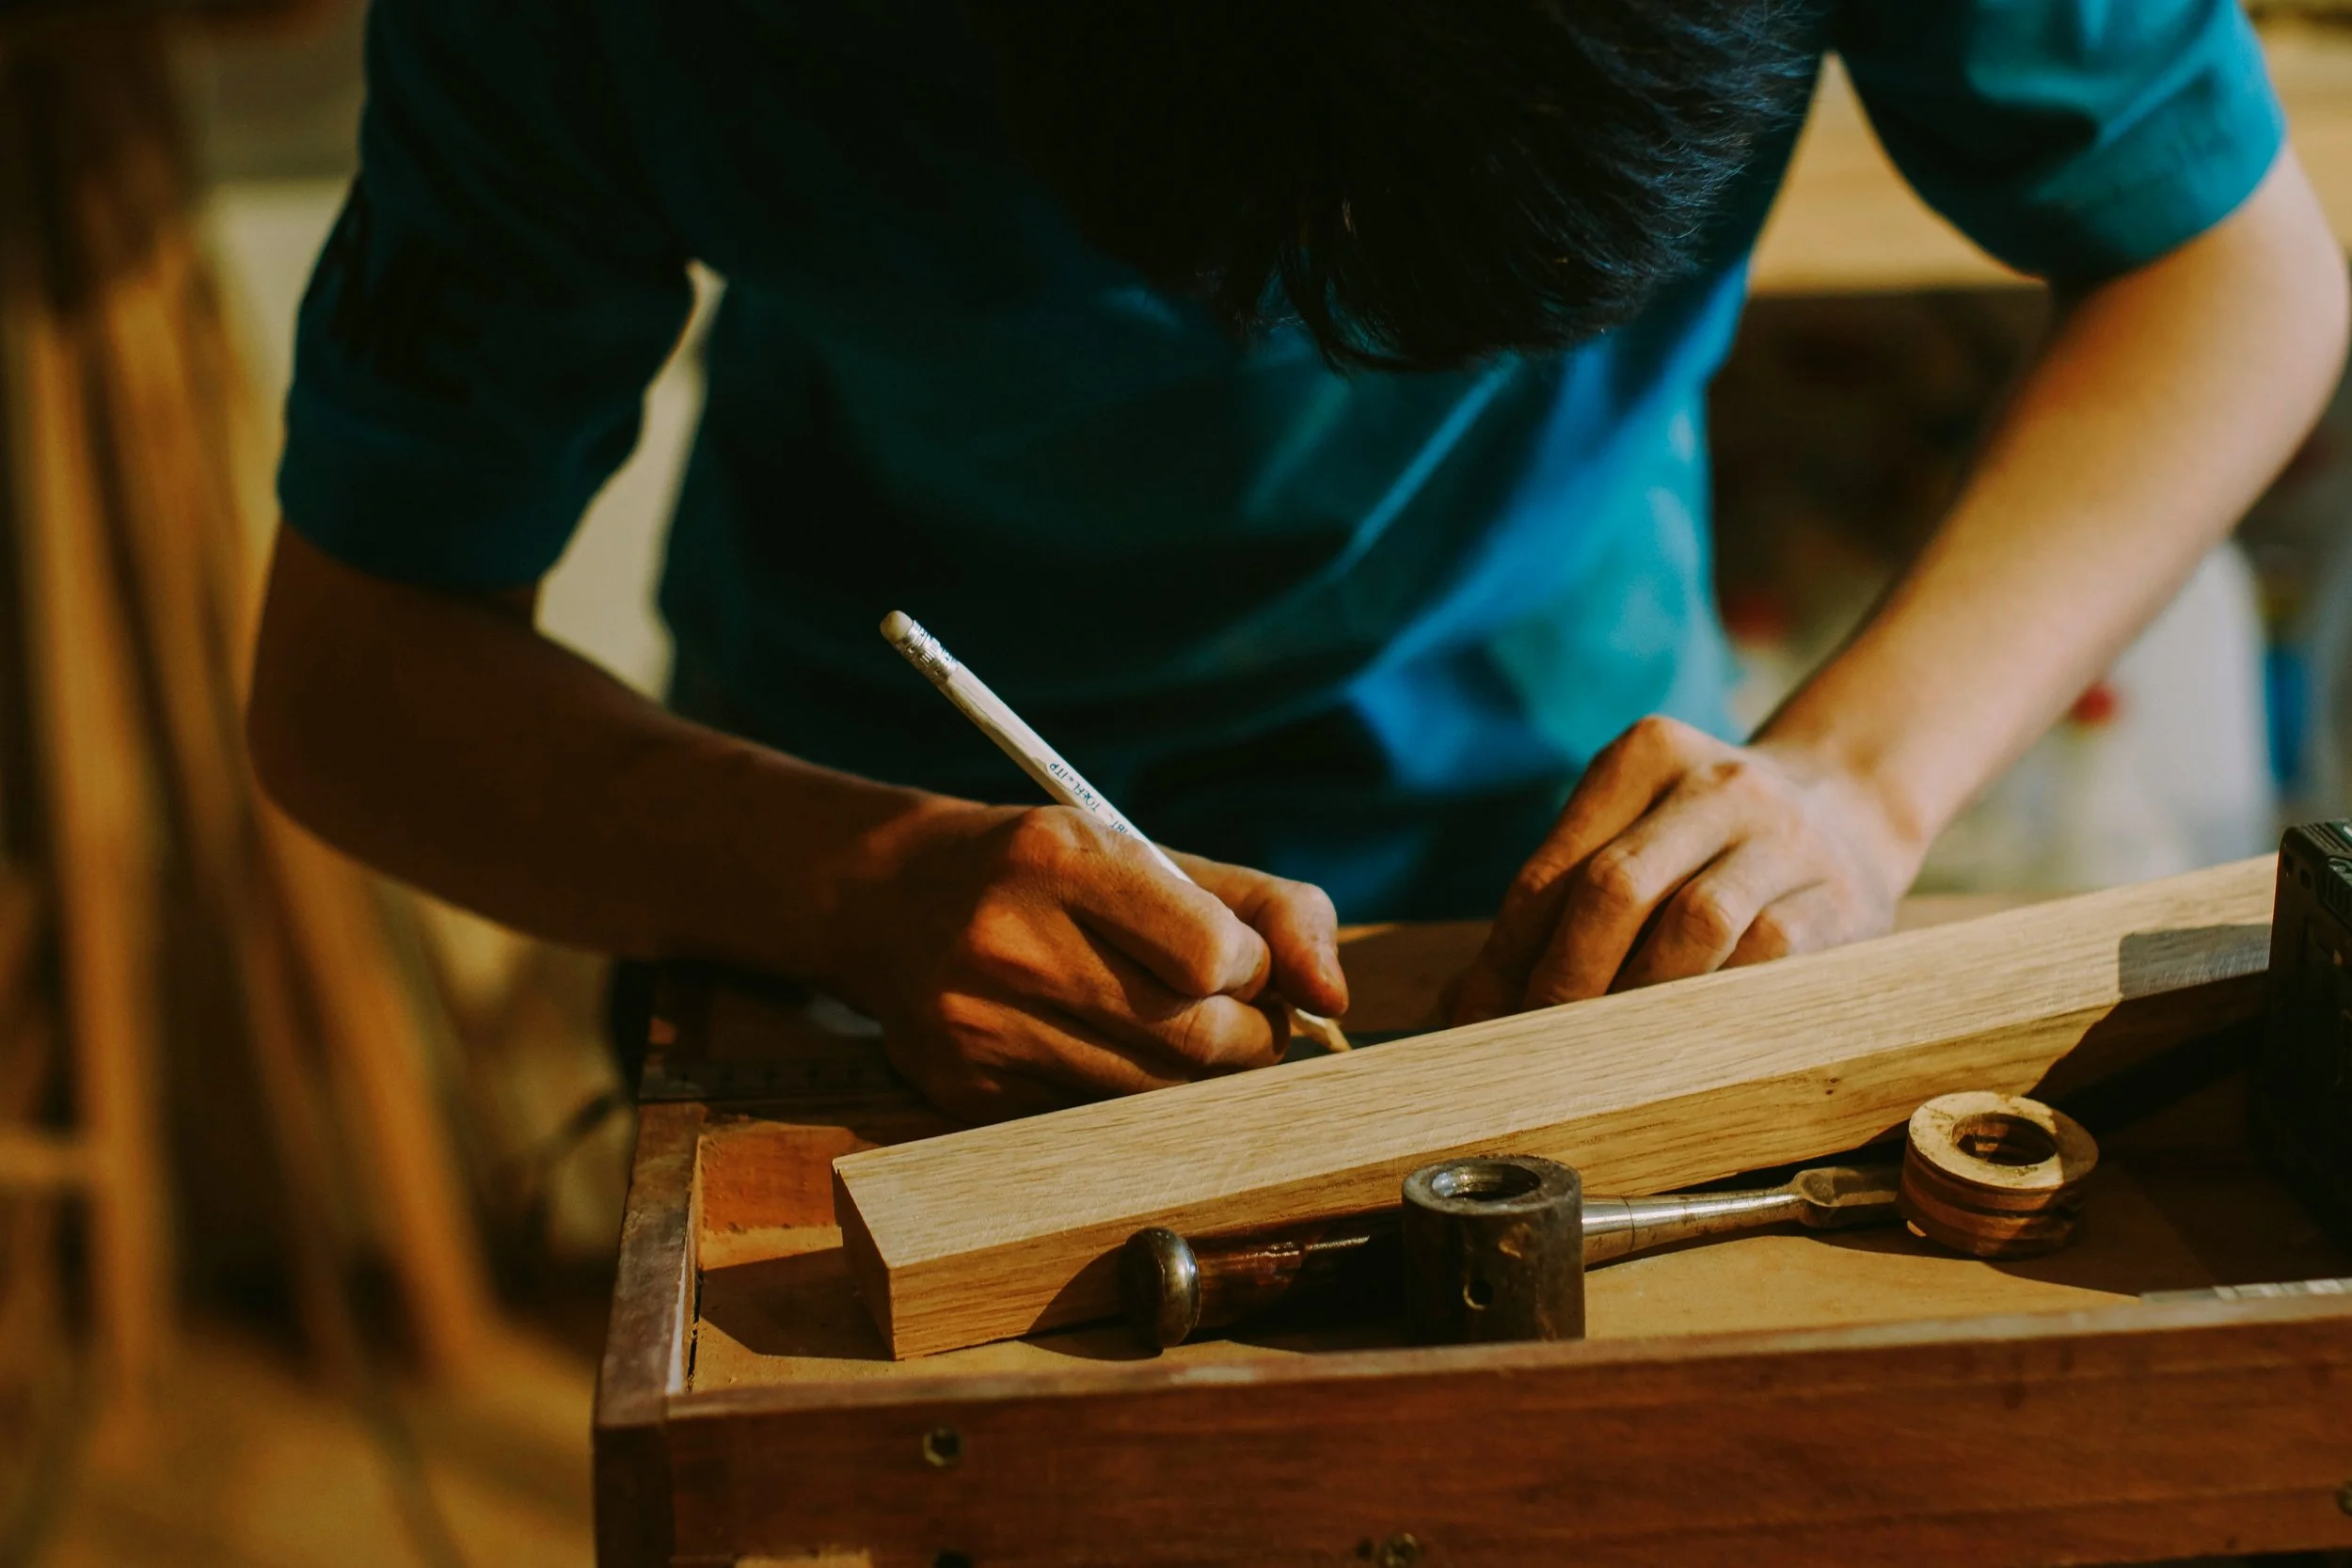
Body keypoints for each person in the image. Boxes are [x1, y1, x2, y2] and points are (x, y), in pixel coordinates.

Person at [249, 0, 2348, 1122]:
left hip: (1569, 875)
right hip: (856, 921)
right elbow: (354, 672)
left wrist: (1856, 781)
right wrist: (850, 876)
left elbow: (2232, 271)